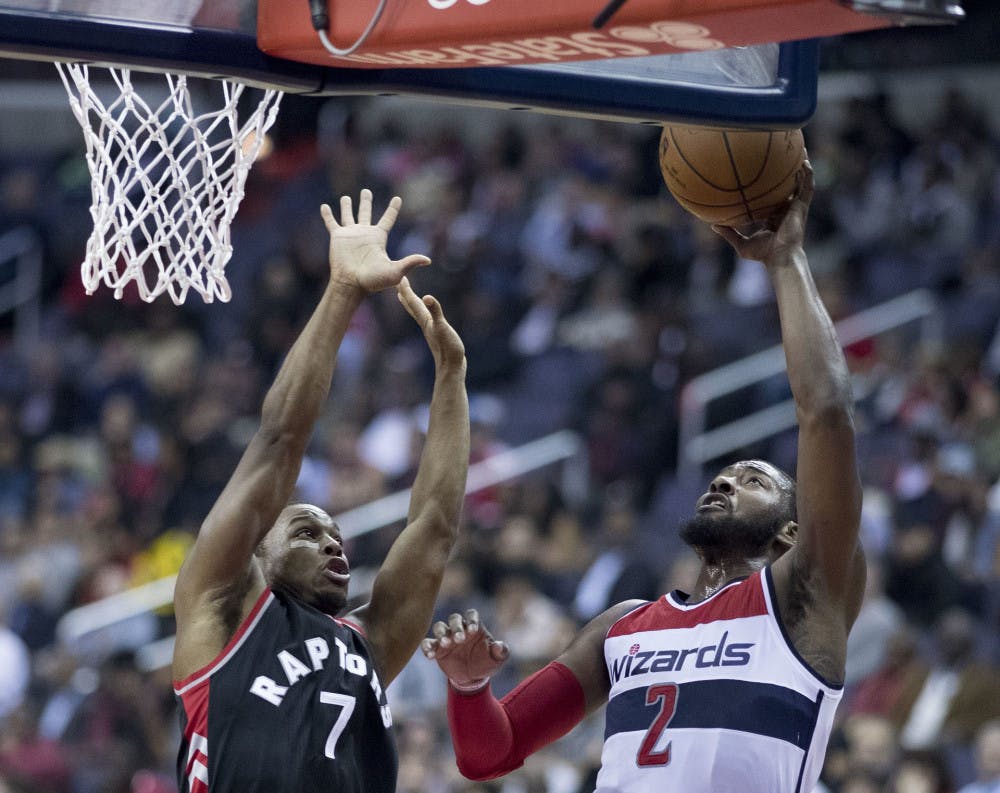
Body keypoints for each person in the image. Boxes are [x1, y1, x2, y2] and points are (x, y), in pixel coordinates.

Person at [422, 163, 867, 793]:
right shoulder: (623, 625)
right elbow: (489, 755)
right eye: (723, 475)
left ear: (792, 534)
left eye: (753, 480)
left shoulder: (804, 593)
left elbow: (826, 413)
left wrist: (786, 259)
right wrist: (469, 690)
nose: (725, 483)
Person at [171, 189, 470, 793]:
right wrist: (344, 291)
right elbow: (279, 440)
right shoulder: (225, 610)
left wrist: (450, 377)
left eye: (336, 535)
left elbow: (434, 528)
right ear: (257, 551)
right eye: (307, 532)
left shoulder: (369, 644)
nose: (335, 545)